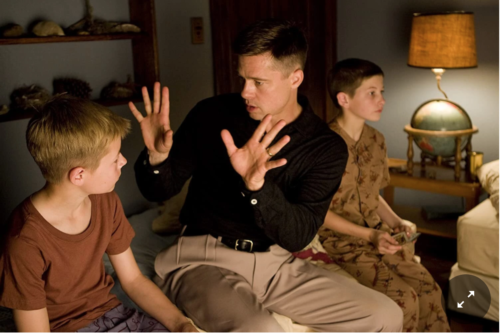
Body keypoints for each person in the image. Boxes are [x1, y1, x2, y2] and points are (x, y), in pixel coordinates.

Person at [130, 19, 403, 332]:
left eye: (259, 82)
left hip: (275, 263)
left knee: (386, 315)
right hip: (201, 258)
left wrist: (256, 186)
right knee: (263, 330)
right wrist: (158, 156)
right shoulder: (212, 113)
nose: (245, 91)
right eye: (243, 78)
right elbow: (159, 189)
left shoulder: (325, 147)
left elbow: (297, 235)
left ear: (294, 78)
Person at [0, 96, 197, 332]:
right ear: (79, 176)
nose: (123, 161)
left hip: (112, 314)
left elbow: (133, 280)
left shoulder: (105, 200)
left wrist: (181, 323)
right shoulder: (24, 241)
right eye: (115, 159)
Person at [318, 58, 451, 332]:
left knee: (430, 290)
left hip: (379, 234)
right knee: (406, 300)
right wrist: (370, 236)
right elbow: (317, 211)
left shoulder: (377, 140)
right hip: (341, 242)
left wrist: (395, 222)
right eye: (372, 93)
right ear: (344, 98)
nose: (382, 100)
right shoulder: (322, 146)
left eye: (382, 92)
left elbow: (372, 194)